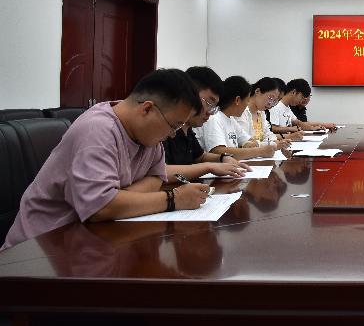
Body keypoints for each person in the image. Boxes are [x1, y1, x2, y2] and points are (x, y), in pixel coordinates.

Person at [2, 69, 210, 250]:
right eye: (173, 126)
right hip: (40, 249)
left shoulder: (149, 137)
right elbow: (100, 208)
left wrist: (119, 199)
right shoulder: (98, 129)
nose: (173, 135)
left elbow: (156, 177)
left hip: (92, 237)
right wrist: (173, 198)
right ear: (147, 109)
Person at [164, 66, 251, 181]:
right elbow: (161, 171)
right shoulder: (166, 128)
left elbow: (200, 156)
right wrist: (208, 167)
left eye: (214, 107)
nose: (210, 113)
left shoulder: (187, 129)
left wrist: (223, 158)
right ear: (190, 94)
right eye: (209, 103)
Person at [195, 75, 275, 160]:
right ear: (237, 100)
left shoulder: (230, 119)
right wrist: (260, 151)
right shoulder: (214, 118)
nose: (247, 105)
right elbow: (218, 151)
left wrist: (252, 145)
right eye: (247, 100)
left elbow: (248, 140)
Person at [236, 77, 291, 150]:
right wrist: (273, 144)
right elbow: (245, 143)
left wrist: (277, 143)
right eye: (270, 98)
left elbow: (268, 134)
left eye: (274, 101)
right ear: (257, 91)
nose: (270, 104)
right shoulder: (241, 111)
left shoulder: (261, 112)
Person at [270, 78, 334, 131]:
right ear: (294, 92)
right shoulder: (276, 106)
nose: (301, 101)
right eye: (301, 97)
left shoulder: (287, 107)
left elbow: (298, 122)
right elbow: (272, 129)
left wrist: (312, 128)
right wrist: (290, 129)